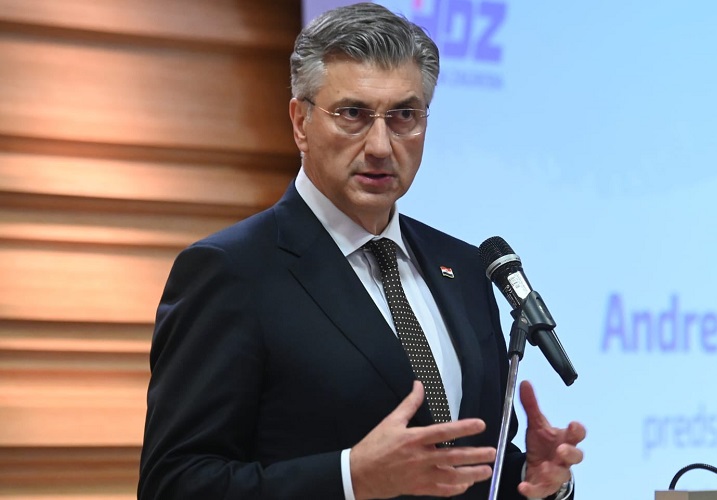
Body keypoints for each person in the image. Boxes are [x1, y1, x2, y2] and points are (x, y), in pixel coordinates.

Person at [137, 3, 585, 499]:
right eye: (353, 114)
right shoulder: (231, 272)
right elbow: (173, 484)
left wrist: (536, 481)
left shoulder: (463, 267)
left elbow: (467, 468)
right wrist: (349, 478)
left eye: (404, 116)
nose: (380, 146)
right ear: (300, 122)